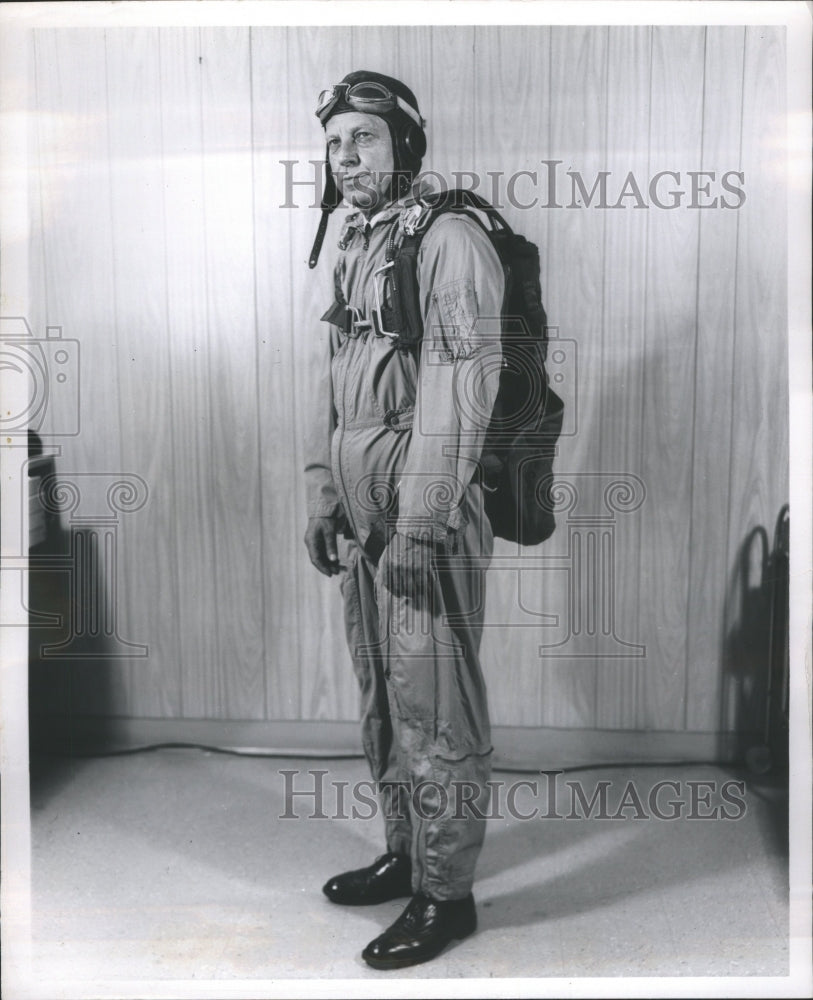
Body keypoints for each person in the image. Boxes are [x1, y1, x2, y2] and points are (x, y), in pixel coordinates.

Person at [303, 71, 504, 970]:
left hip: (425, 516)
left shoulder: (448, 239)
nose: (348, 159)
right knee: (384, 697)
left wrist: (420, 522)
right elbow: (338, 391)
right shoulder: (357, 241)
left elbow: (463, 386)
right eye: (336, 143)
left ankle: (445, 895)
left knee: (435, 709)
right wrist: (324, 495)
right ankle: (405, 853)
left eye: (367, 141)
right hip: (365, 515)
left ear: (407, 147)